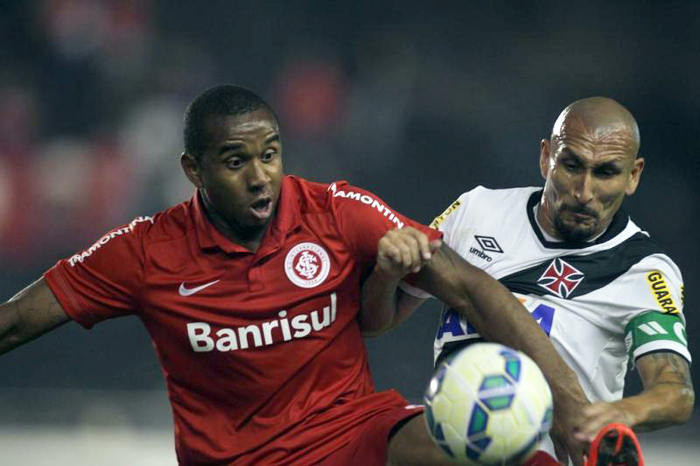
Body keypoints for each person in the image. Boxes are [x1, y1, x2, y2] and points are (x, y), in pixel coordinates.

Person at [0, 84, 588, 465]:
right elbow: (16, 322)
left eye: (270, 154)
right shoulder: (145, 250)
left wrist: (569, 401)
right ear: (192, 170)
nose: (261, 177)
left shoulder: (335, 211)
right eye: (235, 162)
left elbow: (470, 287)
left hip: (354, 435)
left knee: (484, 450)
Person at [362, 97, 694, 464]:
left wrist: (621, 413)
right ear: (545, 157)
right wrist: (385, 274)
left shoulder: (642, 270)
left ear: (633, 175)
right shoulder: (477, 211)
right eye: (571, 166)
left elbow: (675, 392)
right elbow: (378, 322)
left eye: (605, 173)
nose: (584, 192)